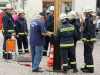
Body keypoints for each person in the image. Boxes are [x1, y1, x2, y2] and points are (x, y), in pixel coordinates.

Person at [81, 6, 96, 73]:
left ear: (88, 13)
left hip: (88, 41)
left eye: (85, 12)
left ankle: (90, 69)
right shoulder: (90, 19)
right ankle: (86, 67)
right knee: (86, 54)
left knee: (88, 54)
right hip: (88, 40)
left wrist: (87, 39)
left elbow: (90, 31)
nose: (84, 13)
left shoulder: (90, 20)